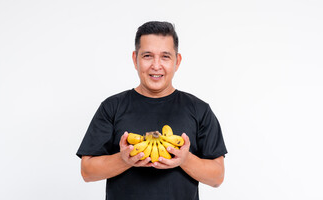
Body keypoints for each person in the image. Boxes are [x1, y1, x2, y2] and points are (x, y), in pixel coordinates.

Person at [76, 21, 227, 200]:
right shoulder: (112, 107)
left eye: (165, 56)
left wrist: (185, 159)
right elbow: (87, 172)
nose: (156, 66)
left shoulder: (199, 109)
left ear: (177, 61)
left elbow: (217, 177)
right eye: (147, 56)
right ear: (135, 59)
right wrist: (123, 159)